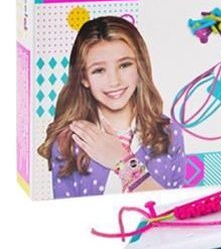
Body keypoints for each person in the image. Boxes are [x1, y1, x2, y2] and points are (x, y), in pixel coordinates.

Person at [38, 16, 185, 198]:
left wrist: (122, 162)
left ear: (140, 67)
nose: (114, 81)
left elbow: (177, 206)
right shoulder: (69, 143)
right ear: (84, 78)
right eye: (99, 70)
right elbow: (67, 213)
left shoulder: (168, 133)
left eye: (124, 65)